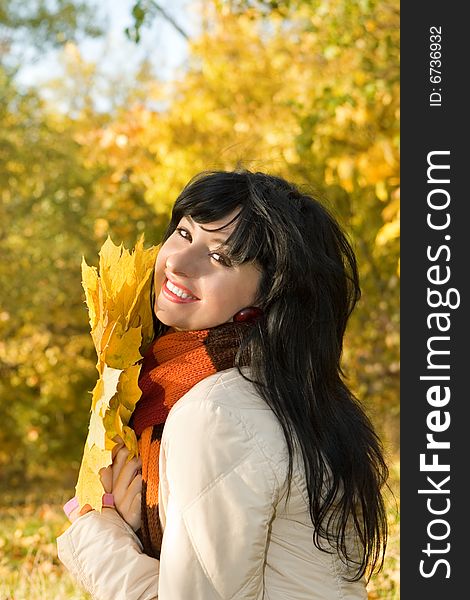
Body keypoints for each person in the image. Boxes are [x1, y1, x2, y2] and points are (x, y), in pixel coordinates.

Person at [57, 169, 389, 600]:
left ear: (270, 294)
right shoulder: (291, 394)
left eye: (220, 257)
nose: (176, 262)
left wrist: (96, 526)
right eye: (184, 232)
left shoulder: (216, 414)